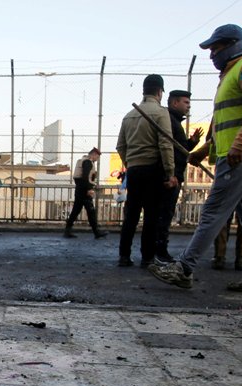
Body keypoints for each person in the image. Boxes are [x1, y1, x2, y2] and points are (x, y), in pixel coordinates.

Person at [150, 24, 242, 289]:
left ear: (233, 45)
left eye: (216, 48)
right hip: (238, 155)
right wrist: (203, 151)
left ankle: (184, 268)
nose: (212, 54)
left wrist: (240, 143)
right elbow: (225, 124)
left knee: (213, 211)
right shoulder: (229, 76)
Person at [116, 74, 177, 267]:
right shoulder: (160, 113)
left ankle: (124, 255)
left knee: (132, 214)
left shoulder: (129, 115)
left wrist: (130, 162)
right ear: (160, 92)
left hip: (134, 170)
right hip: (153, 169)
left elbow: (120, 146)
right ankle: (147, 257)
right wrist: (170, 172)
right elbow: (166, 144)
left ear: (144, 90)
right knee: (151, 214)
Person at [155, 90, 204, 263]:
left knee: (163, 213)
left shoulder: (174, 122)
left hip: (173, 174)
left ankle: (158, 250)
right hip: (171, 176)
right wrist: (172, 174)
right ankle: (160, 251)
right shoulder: (170, 121)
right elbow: (170, 150)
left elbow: (179, 149)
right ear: (174, 103)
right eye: (186, 102)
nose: (188, 106)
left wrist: (191, 143)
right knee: (165, 213)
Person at [64, 148, 109, 239]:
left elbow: (80, 177)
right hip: (84, 190)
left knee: (76, 210)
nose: (97, 159)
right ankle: (96, 232)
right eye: (97, 156)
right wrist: (89, 189)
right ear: (93, 154)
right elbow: (86, 176)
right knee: (91, 211)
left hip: (80, 188)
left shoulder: (82, 161)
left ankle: (67, 231)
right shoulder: (88, 162)